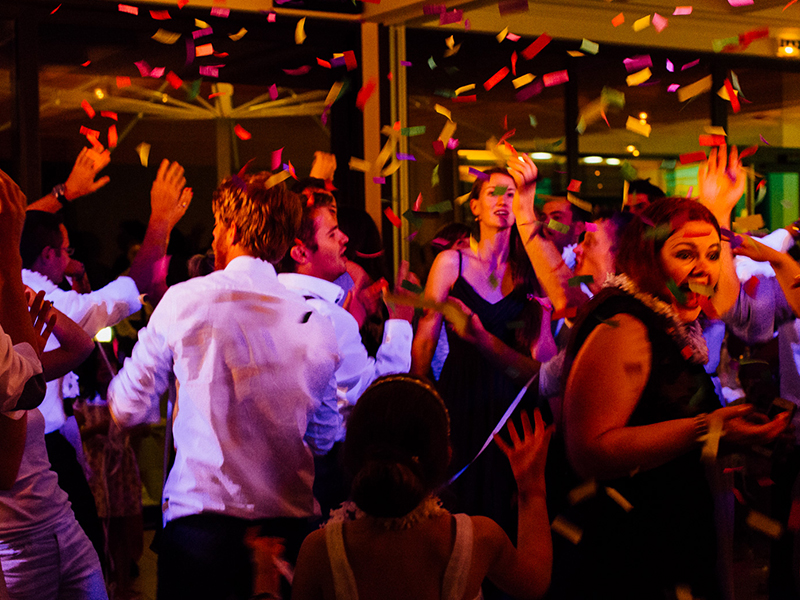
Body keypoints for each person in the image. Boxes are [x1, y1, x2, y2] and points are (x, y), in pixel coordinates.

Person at [106, 171, 340, 600]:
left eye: (216, 225)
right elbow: (325, 437)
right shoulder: (317, 323)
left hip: (202, 531)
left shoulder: (186, 300)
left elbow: (127, 407)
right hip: (289, 529)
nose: (214, 235)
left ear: (231, 229)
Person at [557, 196, 791, 599]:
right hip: (633, 555)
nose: (704, 268)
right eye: (685, 254)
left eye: (713, 254)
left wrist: (729, 432)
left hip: (671, 539)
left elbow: (658, 421)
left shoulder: (667, 319)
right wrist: (707, 428)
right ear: (648, 258)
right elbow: (588, 451)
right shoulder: (625, 326)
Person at [19, 157, 192, 562]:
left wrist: (66, 193)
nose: (69, 260)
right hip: (39, 449)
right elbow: (130, 288)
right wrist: (160, 221)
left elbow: (15, 227)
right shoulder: (45, 300)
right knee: (82, 554)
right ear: (47, 255)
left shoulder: (14, 280)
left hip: (35, 444)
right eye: (64, 251)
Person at [291, 375, 553, 600]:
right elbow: (534, 581)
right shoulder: (479, 539)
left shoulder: (320, 552)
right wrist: (531, 490)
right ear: (446, 457)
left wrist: (269, 586)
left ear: (351, 456)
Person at [411, 166, 556, 552]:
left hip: (513, 403)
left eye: (511, 194)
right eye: (493, 193)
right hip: (461, 394)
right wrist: (419, 397)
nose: (503, 201)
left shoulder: (530, 269)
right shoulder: (451, 263)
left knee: (508, 512)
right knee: (459, 506)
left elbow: (544, 358)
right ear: (474, 206)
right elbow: (425, 337)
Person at [277, 189, 414, 518]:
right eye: (332, 233)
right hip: (327, 470)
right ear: (300, 252)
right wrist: (400, 322)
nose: (344, 239)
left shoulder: (272, 300)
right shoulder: (328, 316)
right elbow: (378, 395)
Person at [0, 166, 104, 599]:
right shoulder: (11, 361)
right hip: (15, 541)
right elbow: (6, 465)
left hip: (60, 520)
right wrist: (11, 269)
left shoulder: (12, 348)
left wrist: (27, 314)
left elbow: (81, 346)